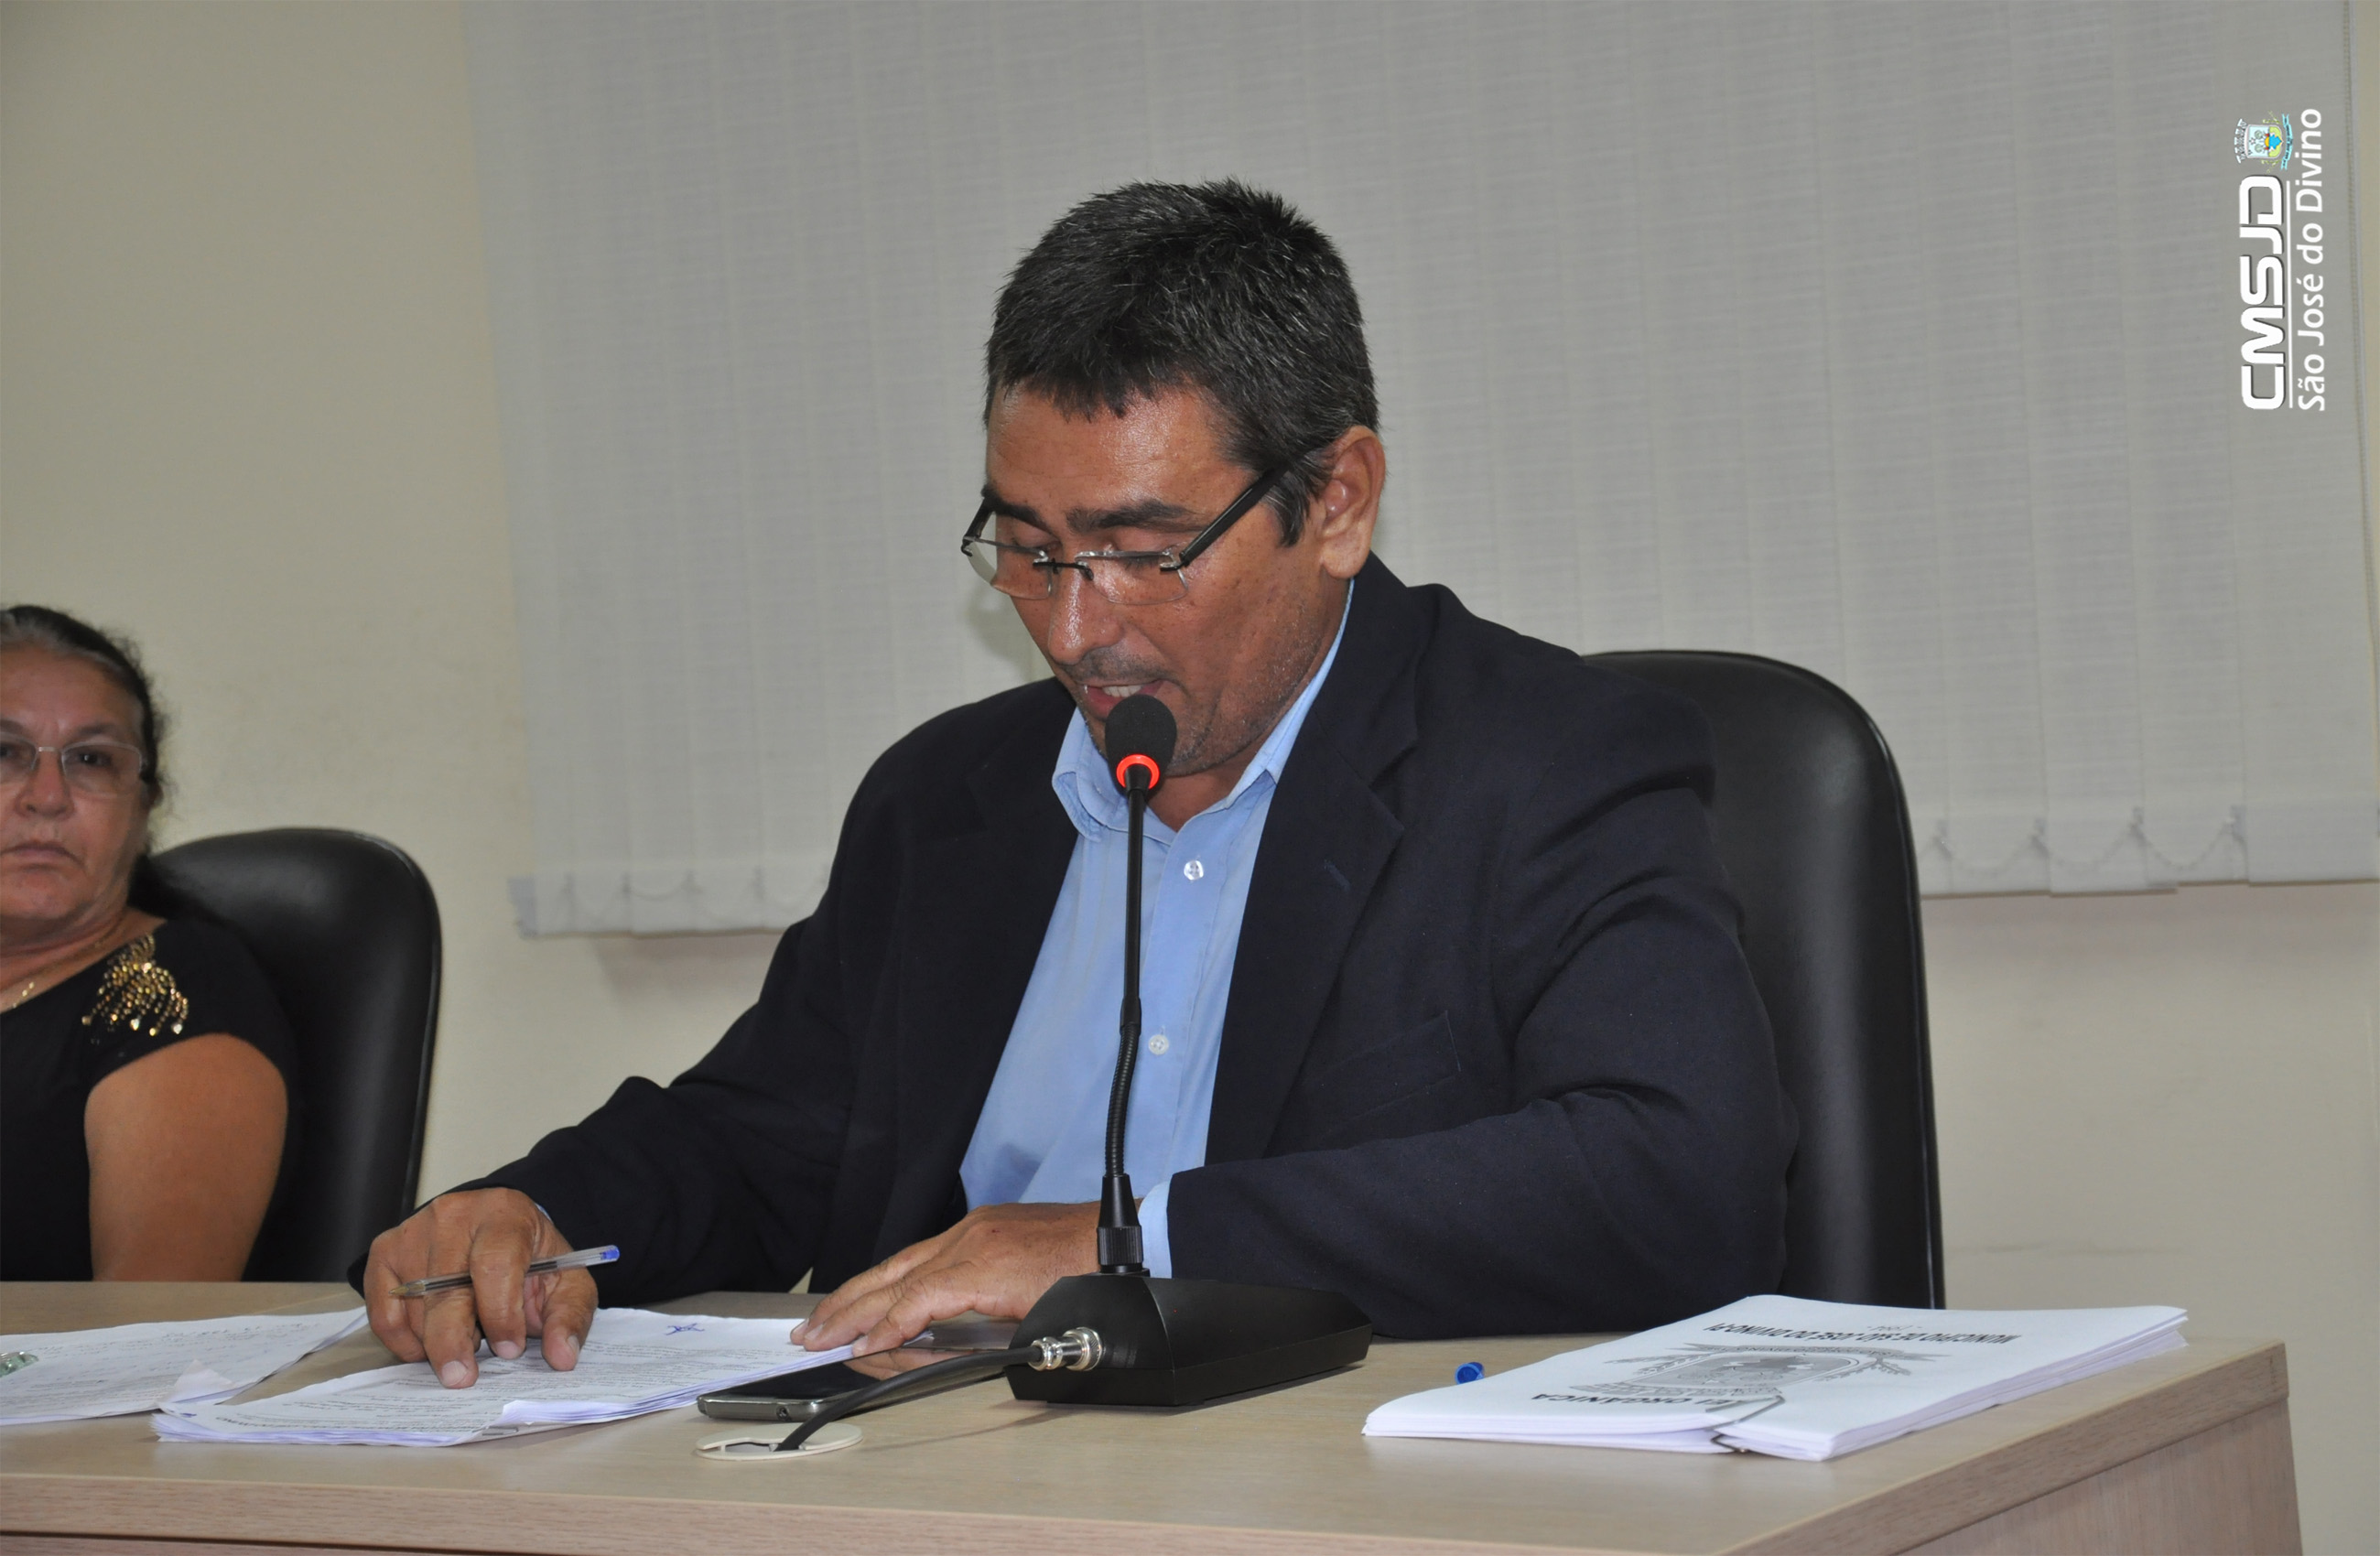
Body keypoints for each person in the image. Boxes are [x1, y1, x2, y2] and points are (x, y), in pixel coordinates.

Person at [364, 181, 1794, 1388]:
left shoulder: (1547, 765)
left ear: (1338, 502)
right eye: (1030, 548)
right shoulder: (946, 801)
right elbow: (759, 1144)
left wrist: (1130, 1243)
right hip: (935, 1481)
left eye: (1144, 552)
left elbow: (1679, 1180)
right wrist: (536, 1212)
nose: (1072, 627)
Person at [0, 606, 298, 1280]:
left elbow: (150, 1325)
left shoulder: (177, 991)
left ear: (142, 808)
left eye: (91, 760)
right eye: (3, 752)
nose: (46, 796)